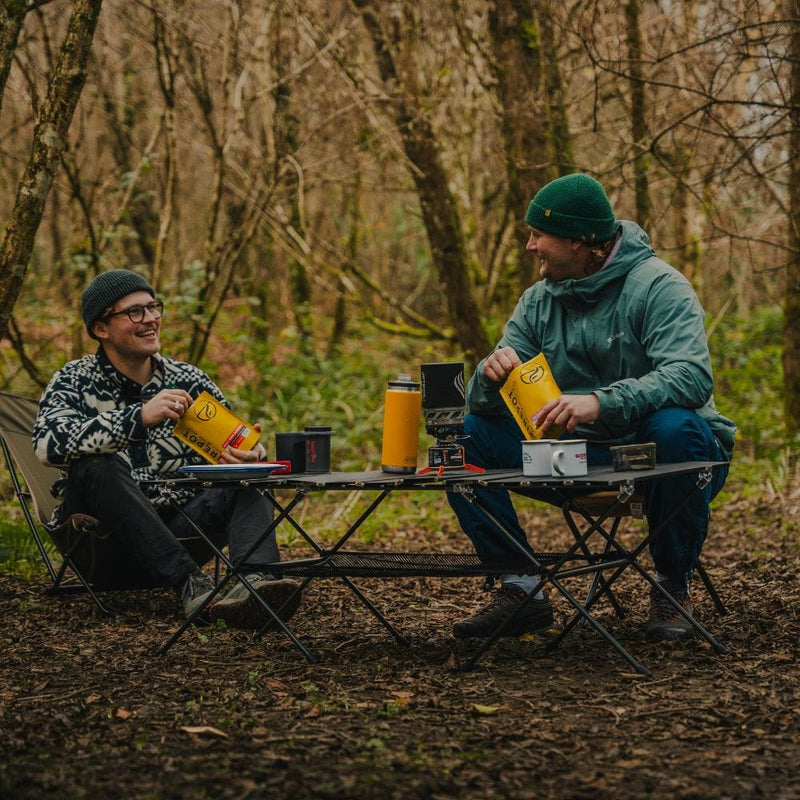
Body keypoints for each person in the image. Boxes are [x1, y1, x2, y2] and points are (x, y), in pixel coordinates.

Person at [448, 173, 736, 642]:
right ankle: (521, 587)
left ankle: (671, 585)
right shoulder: (537, 302)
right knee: (463, 440)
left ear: (581, 242)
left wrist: (600, 403)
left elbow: (691, 376)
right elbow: (496, 406)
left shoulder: (660, 286)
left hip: (666, 460)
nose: (529, 246)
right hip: (579, 459)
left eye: (538, 235)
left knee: (675, 425)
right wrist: (489, 374)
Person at [33, 269, 301, 629]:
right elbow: (47, 444)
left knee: (247, 476)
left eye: (153, 307)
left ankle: (256, 584)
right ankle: (190, 582)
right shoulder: (74, 379)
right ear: (101, 328)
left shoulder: (187, 379)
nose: (151, 319)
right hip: (105, 541)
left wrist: (250, 455)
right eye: (135, 312)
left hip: (183, 527)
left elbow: (234, 440)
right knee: (98, 464)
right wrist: (138, 418)